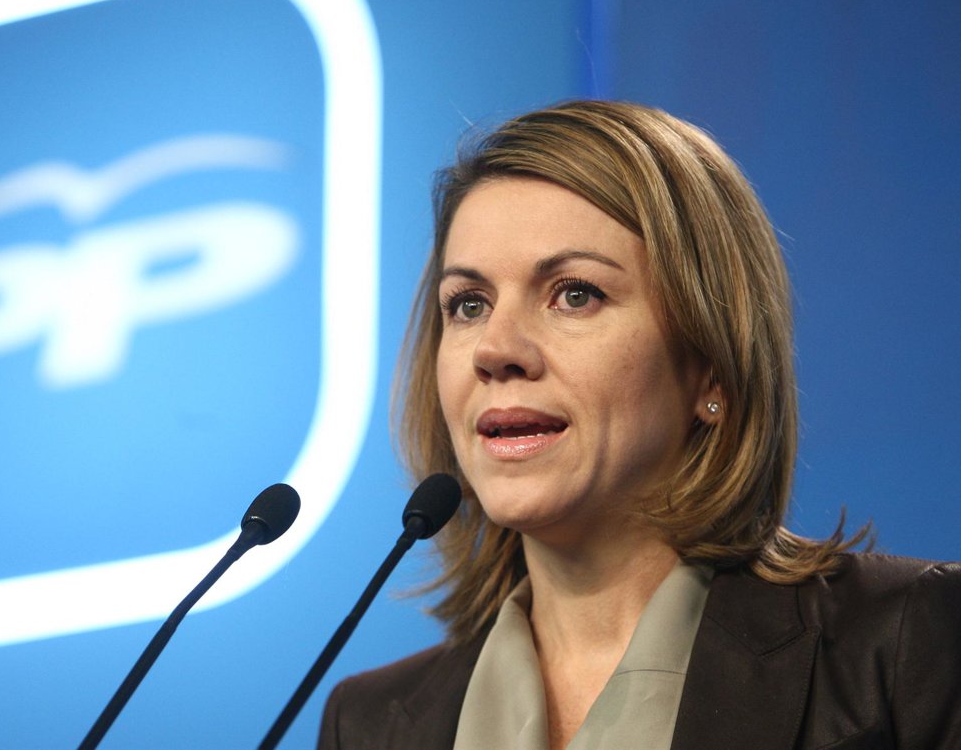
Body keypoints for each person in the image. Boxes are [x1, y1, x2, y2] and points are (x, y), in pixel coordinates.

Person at [316, 101, 961, 750]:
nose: (495, 348)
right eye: (468, 304)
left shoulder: (904, 646)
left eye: (575, 294)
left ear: (711, 367)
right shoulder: (367, 725)